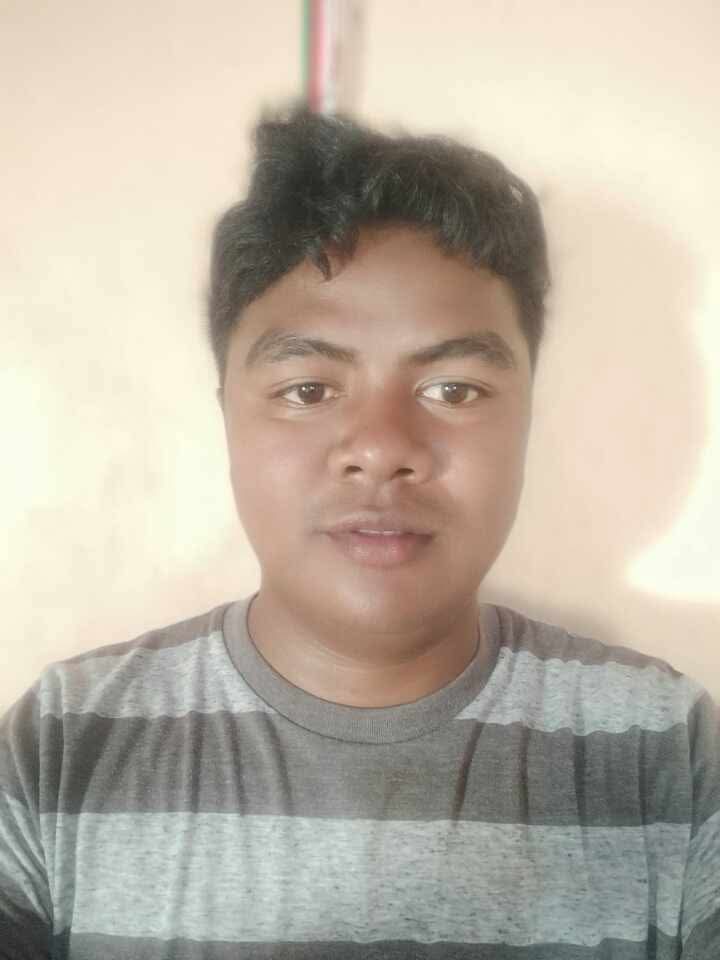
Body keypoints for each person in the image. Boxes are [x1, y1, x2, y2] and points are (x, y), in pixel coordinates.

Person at [1, 106, 718, 960]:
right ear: (228, 413)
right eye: (308, 389)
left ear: (528, 415)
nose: (381, 448)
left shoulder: (662, 749)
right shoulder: (63, 743)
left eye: (454, 389)